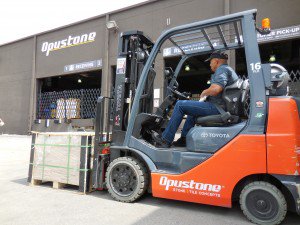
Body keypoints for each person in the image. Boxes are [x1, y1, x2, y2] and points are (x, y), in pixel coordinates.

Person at [153, 51, 238, 148]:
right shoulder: (228, 70)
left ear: (216, 61)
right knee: (191, 110)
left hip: (218, 108)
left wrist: (204, 92)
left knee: (180, 105)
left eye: (211, 62)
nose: (210, 64)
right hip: (220, 106)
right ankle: (184, 139)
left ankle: (165, 139)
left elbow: (216, 89)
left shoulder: (222, 69)